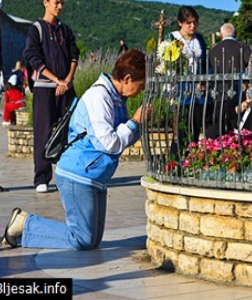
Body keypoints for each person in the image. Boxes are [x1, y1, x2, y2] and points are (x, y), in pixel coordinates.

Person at [2, 49, 150, 250]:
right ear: (127, 78)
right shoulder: (99, 97)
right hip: (78, 175)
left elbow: (122, 140)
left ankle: (24, 225)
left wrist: (138, 126)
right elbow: (109, 143)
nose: (140, 91)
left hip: (95, 177)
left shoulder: (116, 99)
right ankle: (24, 223)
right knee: (81, 239)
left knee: (91, 240)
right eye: (140, 86)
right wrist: (134, 122)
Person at [23, 0, 80, 193]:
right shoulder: (36, 29)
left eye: (62, 3)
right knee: (44, 131)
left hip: (66, 88)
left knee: (70, 130)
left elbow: (74, 54)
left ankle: (68, 173)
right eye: (56, 2)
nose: (60, 6)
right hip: (45, 89)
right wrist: (56, 80)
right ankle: (42, 178)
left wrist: (67, 80)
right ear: (45, 3)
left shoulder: (65, 30)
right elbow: (33, 56)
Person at [169, 6, 207, 152]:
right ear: (180, 23)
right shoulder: (173, 38)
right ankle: (176, 158)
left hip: (197, 89)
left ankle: (192, 156)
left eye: (194, 22)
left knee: (196, 125)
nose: (192, 26)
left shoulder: (199, 39)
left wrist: (203, 81)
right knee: (181, 126)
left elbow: (204, 62)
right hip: (181, 88)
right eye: (188, 23)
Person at [206, 22, 251, 139]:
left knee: (219, 125)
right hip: (237, 91)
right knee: (235, 126)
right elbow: (251, 65)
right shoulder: (242, 46)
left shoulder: (214, 50)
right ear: (235, 34)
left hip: (218, 93)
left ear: (221, 35)